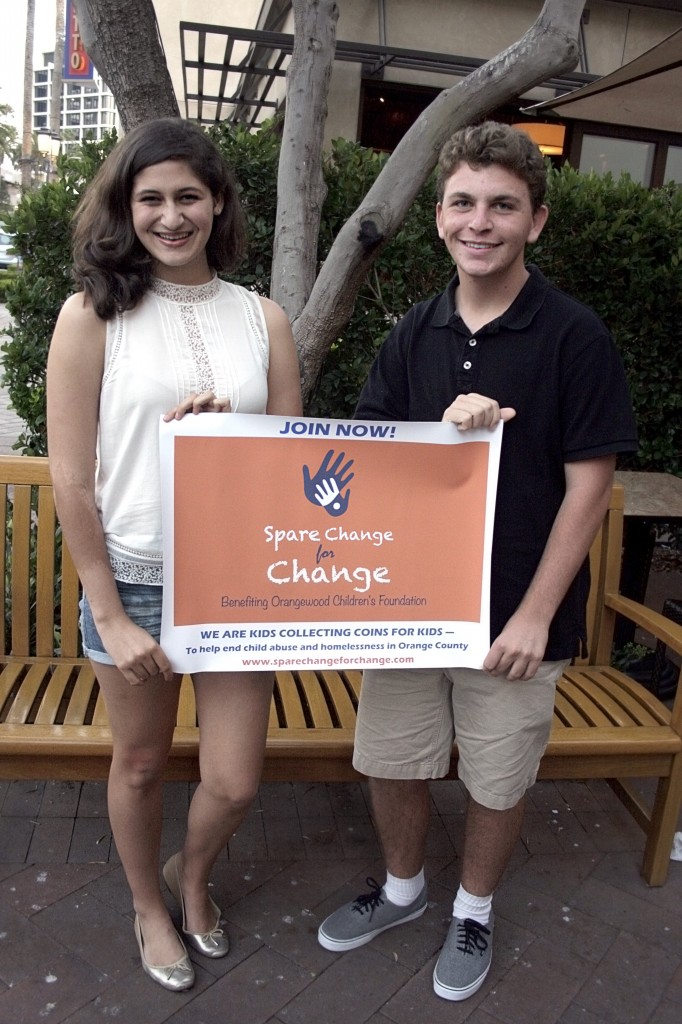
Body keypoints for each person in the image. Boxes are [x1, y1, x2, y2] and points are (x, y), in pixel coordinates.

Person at [317, 121, 638, 1001]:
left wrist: (535, 614)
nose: (480, 221)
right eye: (463, 202)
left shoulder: (575, 336)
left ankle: (475, 909)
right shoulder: (413, 334)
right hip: (413, 606)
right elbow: (372, 465)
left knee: (497, 775)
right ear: (440, 218)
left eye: (503, 205)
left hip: (515, 617)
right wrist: (434, 433)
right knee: (394, 757)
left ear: (536, 220)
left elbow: (589, 488)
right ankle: (404, 888)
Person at [46, 118, 302, 992]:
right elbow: (72, 478)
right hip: (138, 585)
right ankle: (147, 908)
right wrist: (108, 611)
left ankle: (188, 879)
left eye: (187, 196)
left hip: (239, 587)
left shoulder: (263, 318)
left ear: (218, 201)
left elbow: (291, 460)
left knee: (233, 780)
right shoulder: (91, 316)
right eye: (149, 198)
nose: (169, 215)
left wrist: (226, 439)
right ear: (126, 207)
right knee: (144, 762)